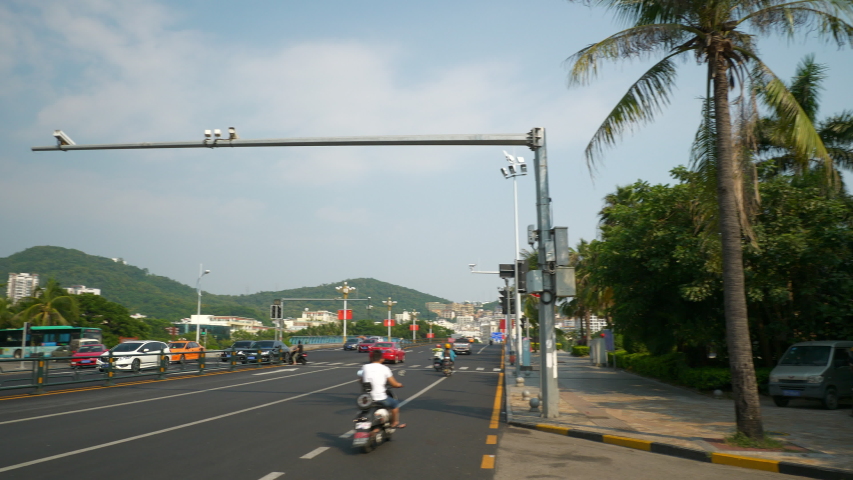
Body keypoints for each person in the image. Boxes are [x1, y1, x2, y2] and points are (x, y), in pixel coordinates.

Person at [362, 349, 405, 428]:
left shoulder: (365, 367)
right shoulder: (385, 368)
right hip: (380, 398)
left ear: (371, 358)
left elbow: (361, 379)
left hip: (366, 398)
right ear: (382, 359)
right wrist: (399, 385)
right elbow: (393, 383)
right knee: (395, 405)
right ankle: (394, 422)